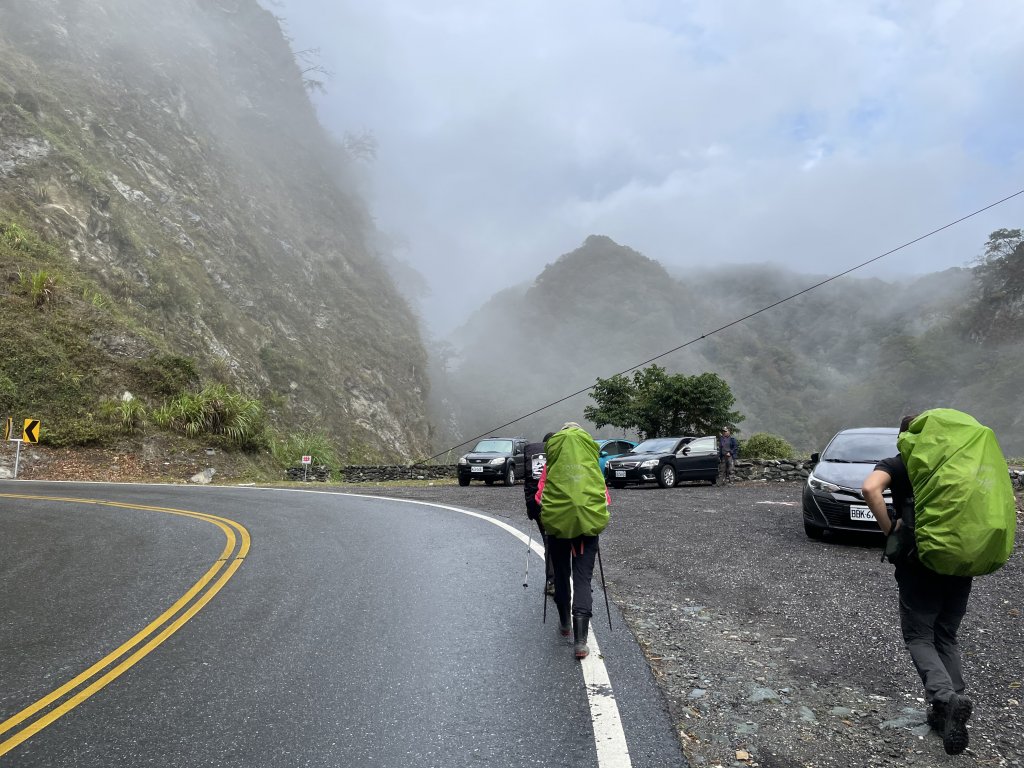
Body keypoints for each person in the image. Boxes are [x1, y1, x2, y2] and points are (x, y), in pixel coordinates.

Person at [862, 414, 974, 756]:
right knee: (945, 634)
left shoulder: (900, 462)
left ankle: (944, 698)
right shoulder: (955, 462)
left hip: (919, 560)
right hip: (959, 557)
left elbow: (869, 489)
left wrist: (889, 528)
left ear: (902, 437)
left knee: (919, 635)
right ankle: (951, 707)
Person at [536, 422, 610, 659]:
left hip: (557, 529)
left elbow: (540, 496)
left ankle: (565, 624)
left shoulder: (552, 465)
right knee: (582, 579)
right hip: (586, 530)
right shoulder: (591, 465)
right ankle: (580, 642)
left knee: (560, 574)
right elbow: (605, 498)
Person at [523, 432, 555, 594]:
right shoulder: (559, 454)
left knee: (549, 541)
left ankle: (551, 581)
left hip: (537, 505)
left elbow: (528, 484)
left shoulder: (533, 455)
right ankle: (557, 580)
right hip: (556, 504)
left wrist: (530, 509)